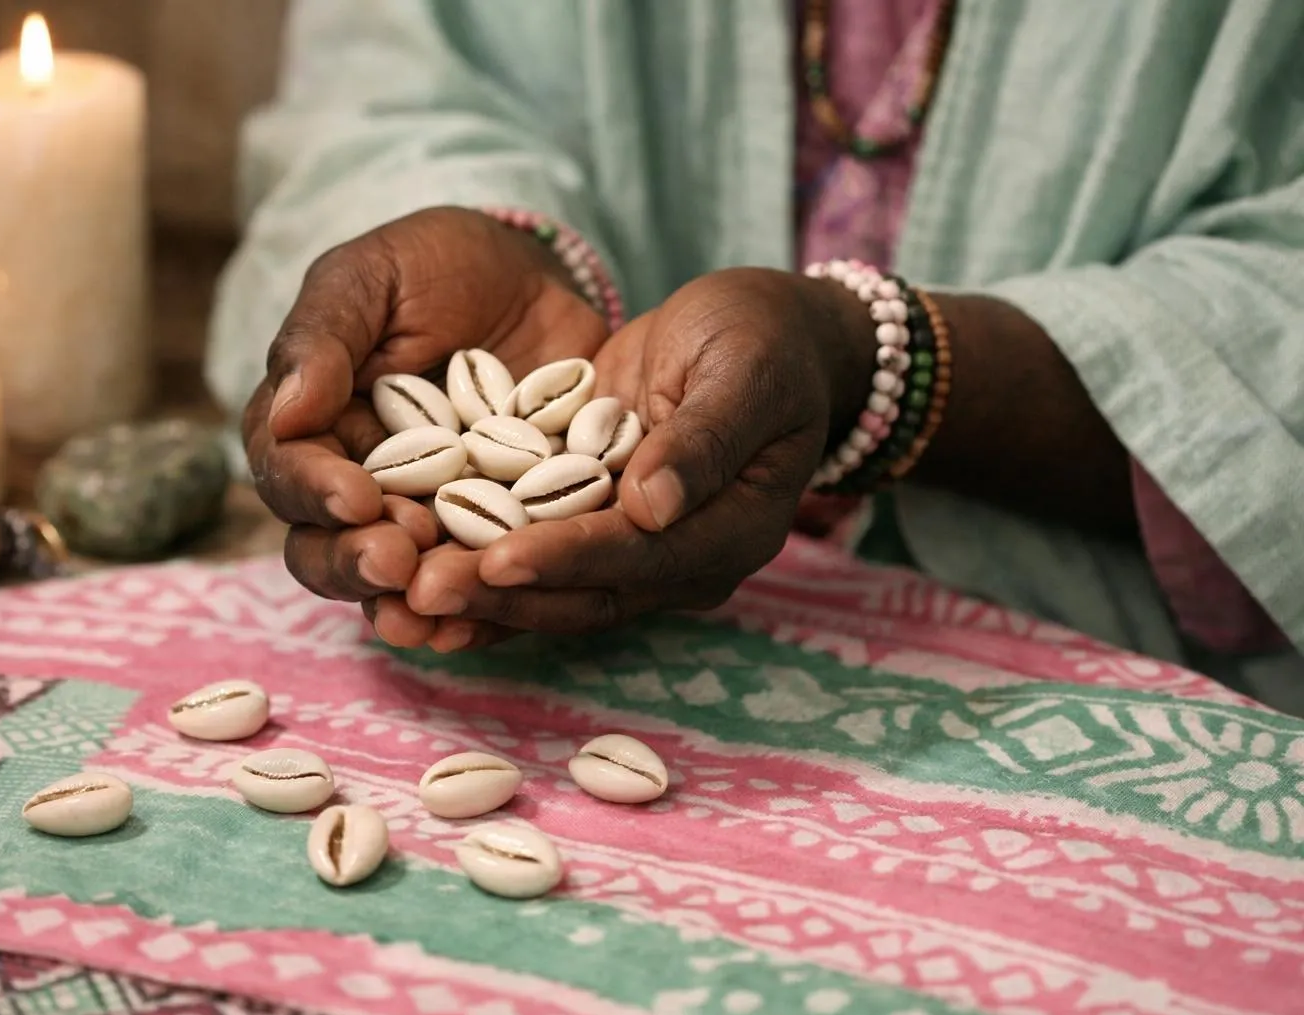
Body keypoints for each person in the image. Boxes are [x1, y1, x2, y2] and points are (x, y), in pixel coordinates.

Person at [205, 0, 1304, 715]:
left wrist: (868, 365)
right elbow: (394, 87)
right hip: (588, 702)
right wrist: (501, 244)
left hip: (1123, 710)